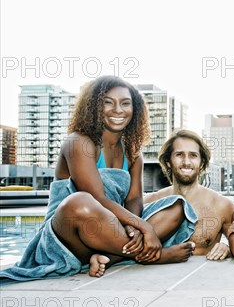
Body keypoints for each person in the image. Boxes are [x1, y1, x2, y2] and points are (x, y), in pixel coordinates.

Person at [0, 76, 196, 281]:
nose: (118, 110)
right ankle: (151, 256)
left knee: (177, 206)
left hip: (110, 230)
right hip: (70, 234)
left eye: (125, 103)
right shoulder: (78, 142)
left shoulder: (133, 153)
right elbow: (98, 199)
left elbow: (134, 199)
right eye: (108, 102)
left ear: (135, 109)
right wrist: (144, 227)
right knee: (80, 202)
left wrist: (133, 226)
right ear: (94, 107)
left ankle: (106, 258)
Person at [144, 129, 234, 260]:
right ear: (168, 161)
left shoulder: (222, 205)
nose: (186, 162)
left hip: (202, 277)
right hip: (156, 278)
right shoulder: (150, 202)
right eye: (179, 154)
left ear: (202, 162)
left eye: (193, 155)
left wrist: (228, 248)